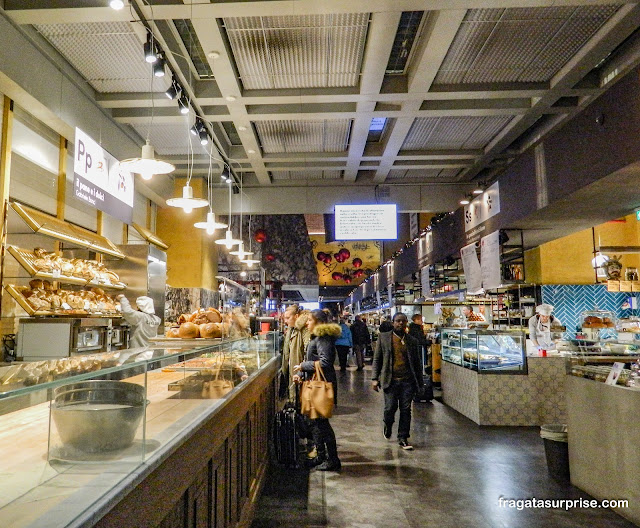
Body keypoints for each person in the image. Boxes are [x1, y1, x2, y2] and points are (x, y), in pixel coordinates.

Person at [293, 309, 341, 471]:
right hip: (314, 383)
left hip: (321, 385)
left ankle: (332, 459)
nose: (307, 323)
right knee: (315, 423)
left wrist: (302, 366)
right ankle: (321, 456)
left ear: (318, 322)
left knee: (322, 424)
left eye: (309, 320)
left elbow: (325, 362)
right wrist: (300, 373)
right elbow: (311, 359)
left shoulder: (324, 338)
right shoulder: (317, 337)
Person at [371, 312, 424, 450]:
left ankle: (403, 437)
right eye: (397, 321)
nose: (400, 323)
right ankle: (387, 424)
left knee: (406, 409)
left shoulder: (412, 341)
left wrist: (420, 383)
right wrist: (374, 378)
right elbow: (377, 359)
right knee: (390, 408)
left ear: (406, 323)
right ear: (393, 322)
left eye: (403, 321)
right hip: (390, 380)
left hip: (408, 381)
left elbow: (417, 363)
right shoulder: (384, 338)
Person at [281, 305, 310, 401]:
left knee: (300, 398)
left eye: (288, 318)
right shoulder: (291, 329)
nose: (285, 321)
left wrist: (302, 370)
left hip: (300, 371)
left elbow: (308, 350)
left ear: (296, 316)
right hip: (292, 369)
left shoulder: (304, 329)